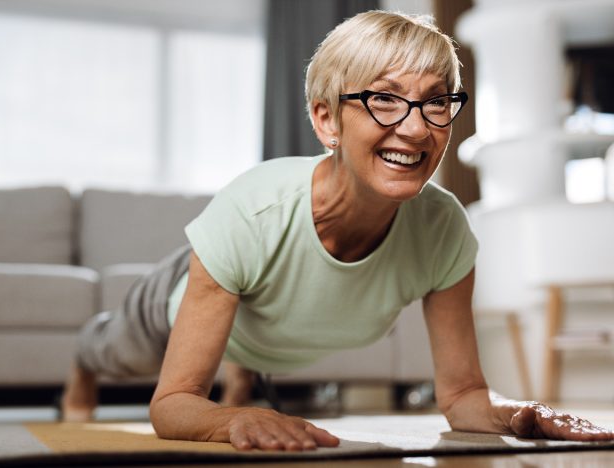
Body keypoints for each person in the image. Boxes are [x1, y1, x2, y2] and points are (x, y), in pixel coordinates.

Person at [62, 10, 614, 451]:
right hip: (178, 291)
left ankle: (238, 369)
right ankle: (83, 369)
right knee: (114, 352)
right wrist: (233, 419)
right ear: (326, 119)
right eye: (384, 98)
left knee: (243, 351)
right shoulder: (252, 211)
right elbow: (172, 403)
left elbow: (463, 394)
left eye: (436, 101)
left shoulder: (445, 229)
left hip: (266, 325)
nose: (417, 128)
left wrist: (521, 412)